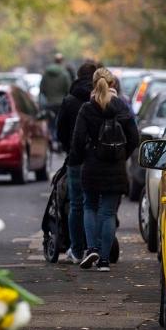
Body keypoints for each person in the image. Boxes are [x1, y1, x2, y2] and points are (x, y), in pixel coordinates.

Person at [69, 68, 139, 272]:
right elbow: (134, 138)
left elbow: (78, 139)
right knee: (108, 212)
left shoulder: (87, 109)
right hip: (115, 167)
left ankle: (91, 248)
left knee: (89, 206)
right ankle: (105, 261)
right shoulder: (122, 107)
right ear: (113, 85)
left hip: (92, 165)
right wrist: (121, 155)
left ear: (94, 84)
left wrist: (77, 160)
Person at [56, 61, 98, 264]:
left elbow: (60, 131)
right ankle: (98, 247)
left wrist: (68, 147)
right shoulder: (102, 99)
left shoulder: (70, 100)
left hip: (75, 158)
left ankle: (77, 248)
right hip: (98, 159)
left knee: (76, 204)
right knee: (97, 204)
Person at [39, 53, 72, 144]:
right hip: (61, 103)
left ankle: (52, 140)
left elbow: (42, 88)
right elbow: (68, 89)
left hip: (49, 103)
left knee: (51, 123)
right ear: (62, 61)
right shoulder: (64, 73)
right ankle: (59, 141)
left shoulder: (46, 73)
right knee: (61, 123)